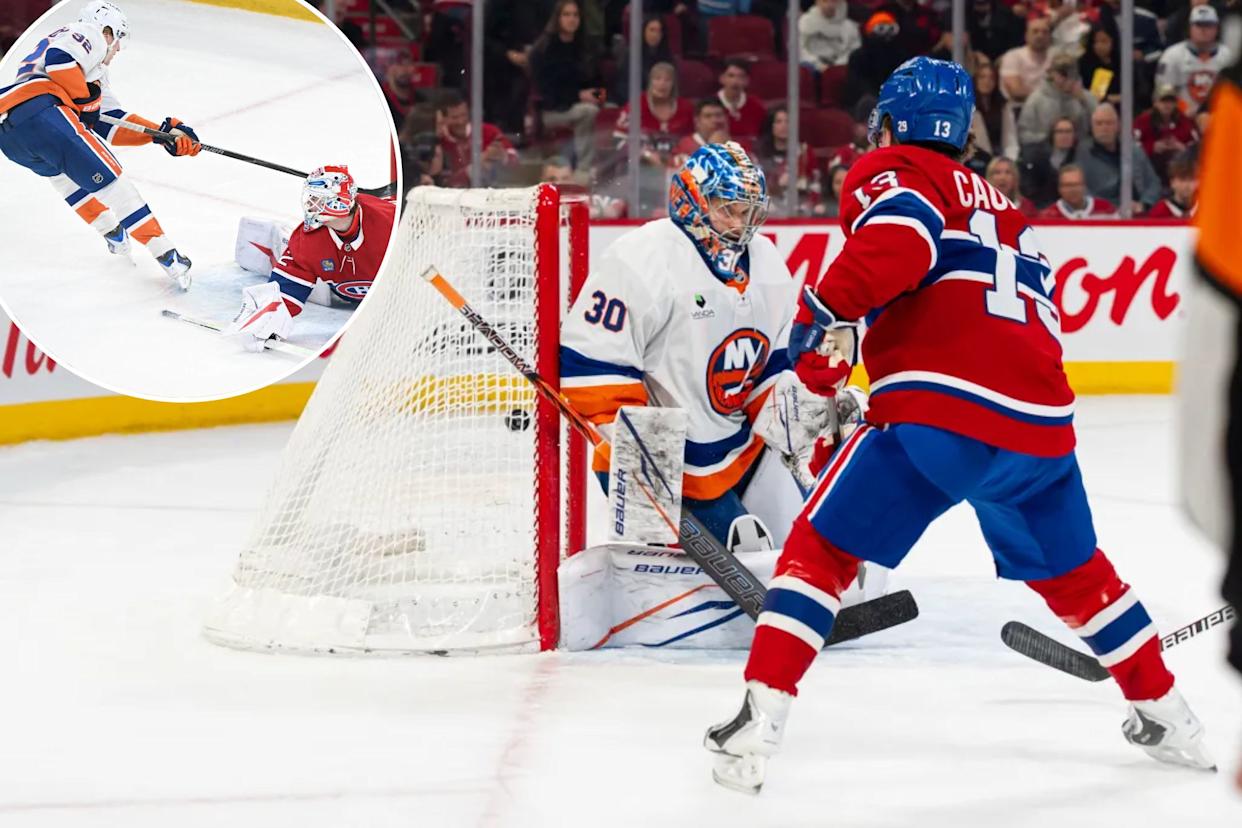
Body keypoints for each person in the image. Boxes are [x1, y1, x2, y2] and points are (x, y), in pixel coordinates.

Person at [704, 56, 1213, 795]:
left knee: (823, 548)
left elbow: (899, 245)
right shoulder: (1007, 209)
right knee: (1079, 575)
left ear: (891, 124)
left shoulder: (897, 170)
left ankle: (759, 718)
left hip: (941, 413)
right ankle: (1170, 715)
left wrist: (817, 329)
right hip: (1042, 428)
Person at [560, 142, 881, 583]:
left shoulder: (766, 260)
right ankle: (651, 572)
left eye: (749, 212)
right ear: (691, 200)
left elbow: (771, 366)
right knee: (746, 548)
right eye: (729, 209)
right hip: (667, 464)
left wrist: (802, 416)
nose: (741, 224)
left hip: (740, 452)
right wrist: (644, 455)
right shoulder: (642, 257)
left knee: (809, 538)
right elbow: (590, 364)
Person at [0, 1, 198, 289]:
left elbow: (111, 123)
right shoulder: (88, 34)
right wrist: (85, 100)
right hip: (42, 113)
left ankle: (113, 233)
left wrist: (161, 134)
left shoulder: (88, 69)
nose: (116, 50)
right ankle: (168, 256)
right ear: (107, 31)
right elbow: (59, 61)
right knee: (114, 183)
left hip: (10, 133)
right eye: (118, 40)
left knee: (65, 177)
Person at [226, 166, 395, 351]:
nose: (310, 204)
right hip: (344, 291)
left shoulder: (390, 222)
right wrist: (266, 322)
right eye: (310, 197)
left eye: (316, 198)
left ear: (339, 201)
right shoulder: (308, 238)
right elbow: (286, 290)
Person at [529, 0, 602, 174]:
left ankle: (600, 168)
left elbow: (599, 85)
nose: (572, 19)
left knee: (607, 107)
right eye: (566, 15)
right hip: (553, 110)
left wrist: (599, 96)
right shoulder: (544, 49)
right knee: (588, 111)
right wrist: (579, 96)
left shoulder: (585, 46)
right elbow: (548, 92)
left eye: (575, 15)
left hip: (582, 103)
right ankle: (584, 169)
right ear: (558, 18)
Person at [1074, 102, 1161, 211]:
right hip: (1102, 213)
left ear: (1118, 125)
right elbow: (1080, 189)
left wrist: (1144, 204)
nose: (1104, 128)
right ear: (1092, 127)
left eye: (1109, 123)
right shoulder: (1083, 153)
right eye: (1099, 123)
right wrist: (1108, 208)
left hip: (1139, 210)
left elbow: (1154, 182)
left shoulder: (1134, 150)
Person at [1157, 4, 1233, 116]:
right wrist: (1186, 114)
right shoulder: (1172, 56)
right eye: (1198, 24)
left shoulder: (1230, 56)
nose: (1203, 30)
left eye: (1208, 25)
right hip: (1180, 118)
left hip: (1222, 118)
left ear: (1217, 28)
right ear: (1190, 28)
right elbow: (1163, 95)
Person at [613, 61, 694, 160]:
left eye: (667, 80)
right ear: (650, 82)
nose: (662, 84)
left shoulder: (686, 107)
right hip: (641, 163)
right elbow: (619, 139)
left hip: (678, 162)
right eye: (657, 79)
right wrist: (645, 154)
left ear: (673, 84)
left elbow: (693, 139)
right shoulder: (636, 105)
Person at [436, 92, 518, 188]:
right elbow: (446, 183)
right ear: (444, 118)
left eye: (464, 115)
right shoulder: (440, 140)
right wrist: (477, 165)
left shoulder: (488, 131)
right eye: (455, 117)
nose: (460, 121)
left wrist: (503, 155)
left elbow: (515, 160)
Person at [1017, 51, 1096, 147]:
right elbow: (1023, 135)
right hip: (1046, 149)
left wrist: (1083, 101)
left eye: (1071, 74)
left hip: (1081, 149)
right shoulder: (1036, 99)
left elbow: (1100, 128)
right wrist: (1051, 139)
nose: (1067, 79)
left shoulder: (1087, 97)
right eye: (1062, 74)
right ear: (1051, 74)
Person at [753, 106, 820, 217]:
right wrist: (777, 185)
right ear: (771, 126)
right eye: (779, 122)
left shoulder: (804, 153)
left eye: (787, 121)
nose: (784, 126)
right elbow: (756, 189)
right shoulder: (759, 154)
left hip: (800, 208)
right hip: (769, 209)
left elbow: (815, 185)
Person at [1135, 84, 1199, 185]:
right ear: (1155, 102)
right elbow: (1131, 146)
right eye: (1163, 101)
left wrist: (1182, 147)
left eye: (1171, 101)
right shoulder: (1142, 121)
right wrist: (1152, 147)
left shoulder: (1185, 121)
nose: (1167, 105)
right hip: (1150, 168)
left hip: (1179, 170)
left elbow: (1197, 146)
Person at [844, 12, 906, 109]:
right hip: (867, 102)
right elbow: (857, 84)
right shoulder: (858, 56)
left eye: (891, 29)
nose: (887, 35)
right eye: (881, 29)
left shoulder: (900, 54)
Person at [1018, 116, 1078, 207]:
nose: (1064, 135)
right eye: (1060, 131)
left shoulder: (1079, 157)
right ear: (1052, 134)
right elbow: (1028, 187)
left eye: (1068, 131)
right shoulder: (1037, 157)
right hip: (1041, 206)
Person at [613, 15, 674, 101]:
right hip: (635, 102)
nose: (655, 35)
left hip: (661, 103)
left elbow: (673, 86)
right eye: (652, 30)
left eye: (659, 31)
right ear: (643, 31)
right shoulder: (633, 54)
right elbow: (623, 86)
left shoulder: (667, 56)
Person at [998, 16, 1053, 105]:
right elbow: (1016, 92)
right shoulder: (1013, 56)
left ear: (1050, 37)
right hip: (1019, 107)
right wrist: (1049, 96)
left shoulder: (1055, 58)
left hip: (1050, 107)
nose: (1040, 36)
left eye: (1045, 32)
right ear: (1026, 36)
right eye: (1035, 31)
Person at [971, 63, 1019, 161]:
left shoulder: (1003, 105)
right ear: (975, 80)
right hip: (976, 158)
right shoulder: (967, 107)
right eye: (982, 77)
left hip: (1001, 157)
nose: (987, 81)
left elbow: (1010, 138)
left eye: (991, 78)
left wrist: (1010, 160)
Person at [799, 0, 860, 73]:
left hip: (841, 70)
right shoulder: (805, 23)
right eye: (825, 1)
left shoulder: (850, 27)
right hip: (812, 69)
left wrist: (836, 66)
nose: (829, 5)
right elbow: (801, 50)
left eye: (834, 1)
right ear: (817, 2)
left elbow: (853, 52)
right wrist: (819, 65)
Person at [1037, 163, 1116, 218]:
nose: (1073, 190)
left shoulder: (1106, 209)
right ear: (1059, 189)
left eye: (1077, 184)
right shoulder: (1048, 215)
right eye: (1068, 185)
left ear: (1084, 186)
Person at [717, 59, 766, 142]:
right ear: (722, 78)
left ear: (747, 81)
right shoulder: (710, 105)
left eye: (741, 76)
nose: (735, 81)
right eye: (731, 76)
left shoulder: (757, 107)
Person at [672, 98, 730, 166]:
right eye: (708, 116)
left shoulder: (737, 145)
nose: (715, 120)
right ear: (697, 121)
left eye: (718, 115)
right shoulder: (684, 147)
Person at [1145, 151, 1198, 218]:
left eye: (1191, 180)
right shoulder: (1158, 212)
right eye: (1182, 180)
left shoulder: (1206, 209)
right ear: (1172, 182)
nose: (1186, 185)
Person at [1078, 24, 1121, 106]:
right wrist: (1111, 98)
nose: (1099, 46)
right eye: (1096, 42)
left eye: (1104, 41)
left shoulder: (1121, 61)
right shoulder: (1086, 63)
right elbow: (1097, 97)